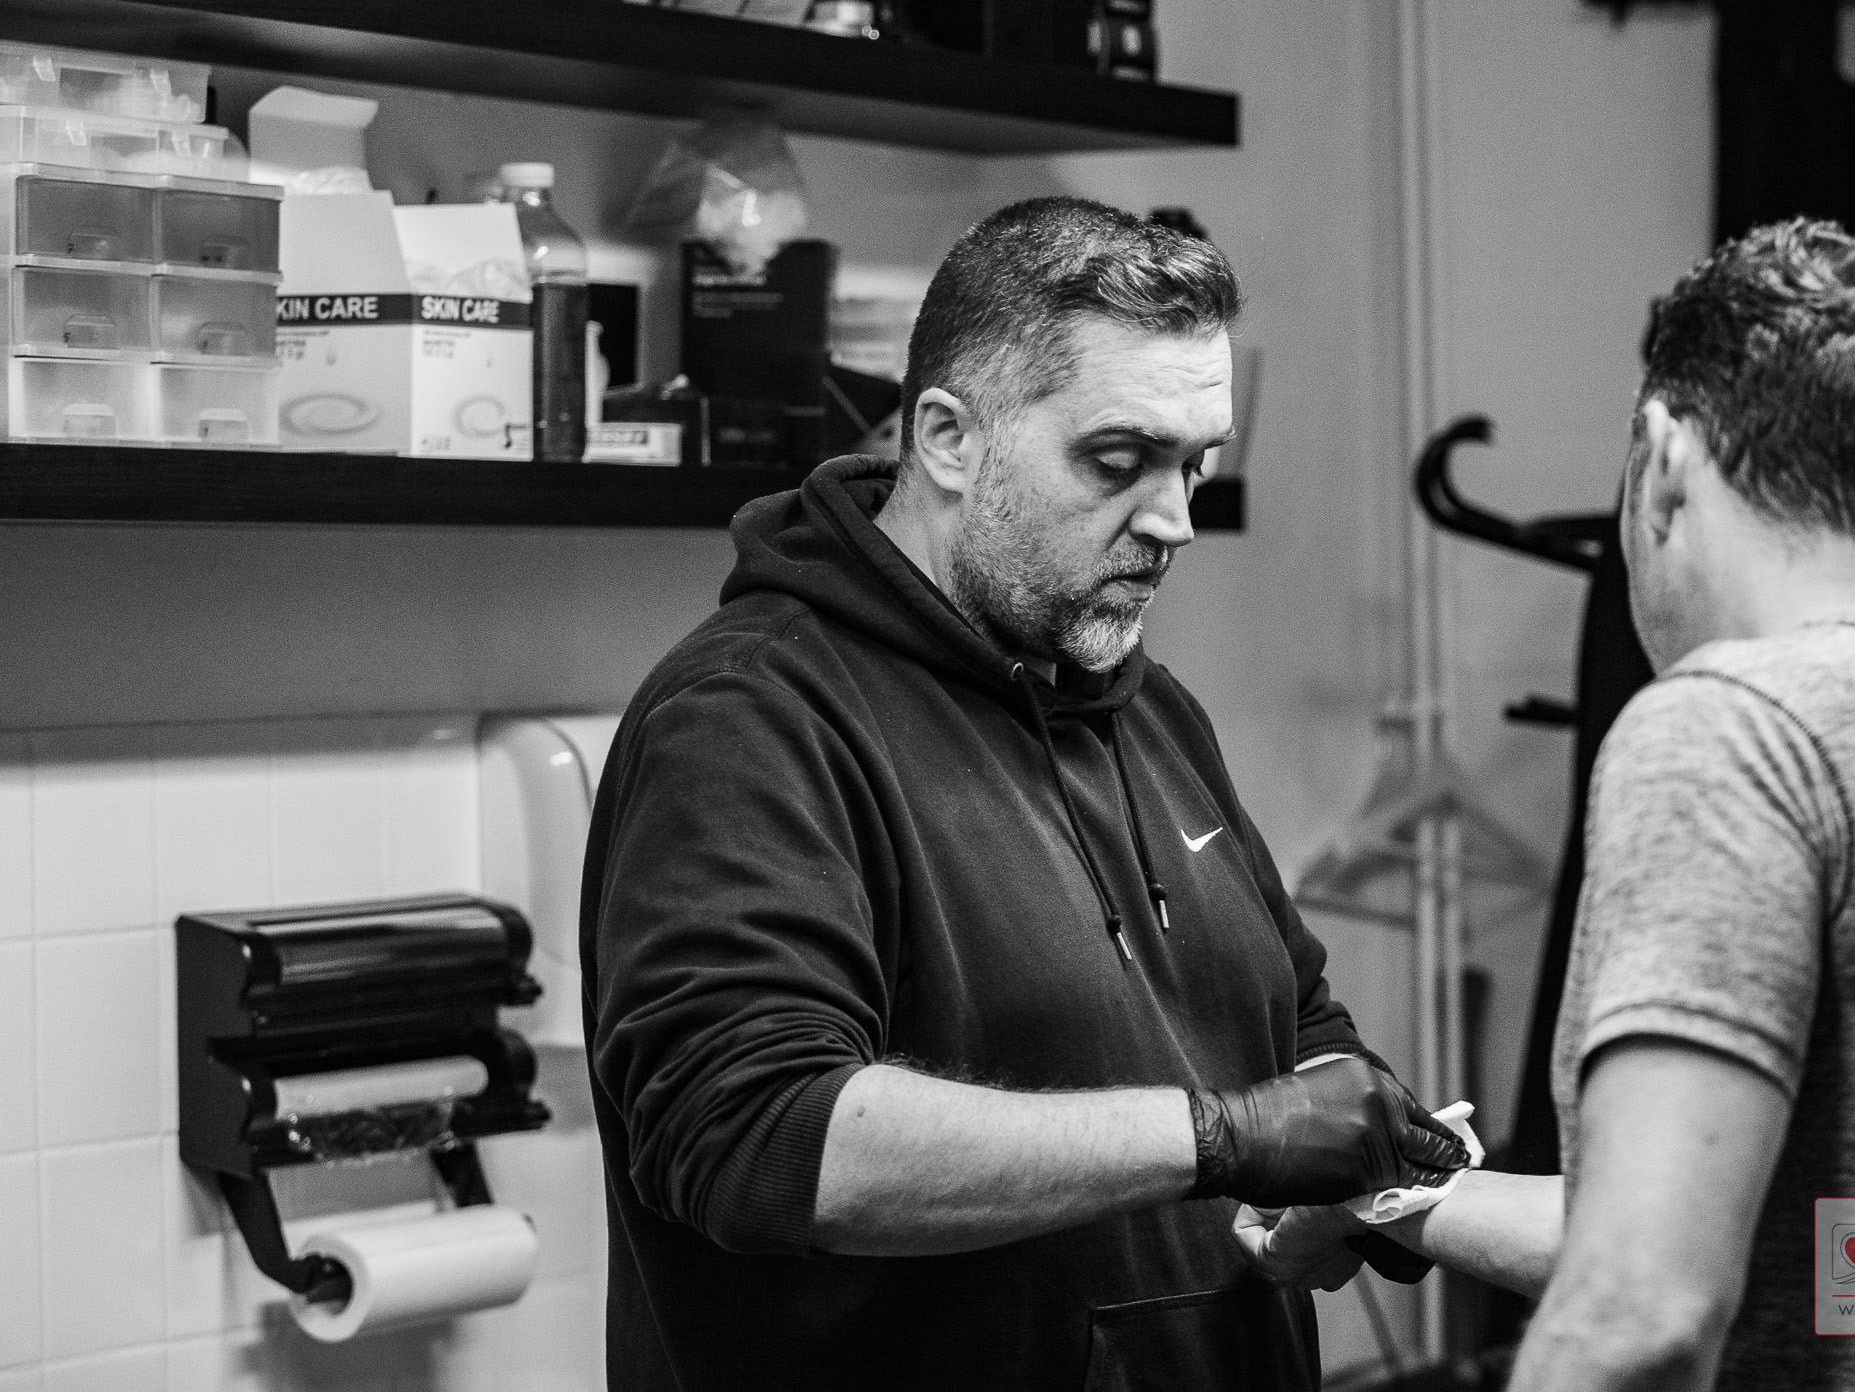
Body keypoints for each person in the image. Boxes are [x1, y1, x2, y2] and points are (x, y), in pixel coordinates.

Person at [1245, 219, 1855, 1389]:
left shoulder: (1725, 726)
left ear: (1665, 462)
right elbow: (1804, 1248)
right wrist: (1390, 1196)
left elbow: (1643, 1302)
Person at [580, 196, 1458, 1390]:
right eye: (1119, 460)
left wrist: (1368, 1162)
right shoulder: (750, 718)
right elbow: (758, 1136)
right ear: (948, 437)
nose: (1175, 521)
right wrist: (1220, 1136)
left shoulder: (1151, 709)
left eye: (1195, 464)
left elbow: (1288, 1024)